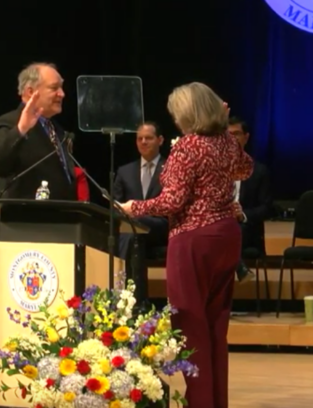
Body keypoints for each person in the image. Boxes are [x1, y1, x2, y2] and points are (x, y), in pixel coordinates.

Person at [121, 82, 253, 408]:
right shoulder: (225, 142)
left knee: (191, 330)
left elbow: (173, 201)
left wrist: (133, 207)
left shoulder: (187, 146)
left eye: (176, 115)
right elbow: (245, 169)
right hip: (226, 238)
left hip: (195, 241)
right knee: (214, 330)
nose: (175, 121)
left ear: (187, 114)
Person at [0, 62, 76, 200]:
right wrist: (21, 129)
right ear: (30, 92)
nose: (62, 94)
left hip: (61, 216)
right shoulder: (10, 122)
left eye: (61, 88)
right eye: (54, 88)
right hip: (24, 218)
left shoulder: (57, 129)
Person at [228, 117, 273, 284]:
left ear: (246, 138)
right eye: (228, 135)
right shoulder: (214, 168)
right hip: (219, 223)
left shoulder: (259, 171)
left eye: (237, 134)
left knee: (232, 231)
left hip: (246, 228)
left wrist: (243, 215)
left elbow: (267, 208)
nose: (232, 139)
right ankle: (239, 268)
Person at [114, 122, 168, 259]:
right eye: (140, 138)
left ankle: (120, 276)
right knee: (130, 233)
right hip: (131, 229)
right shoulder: (124, 171)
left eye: (148, 138)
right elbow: (115, 206)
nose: (143, 142)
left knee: (132, 229)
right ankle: (130, 279)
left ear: (160, 140)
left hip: (160, 226)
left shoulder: (171, 168)